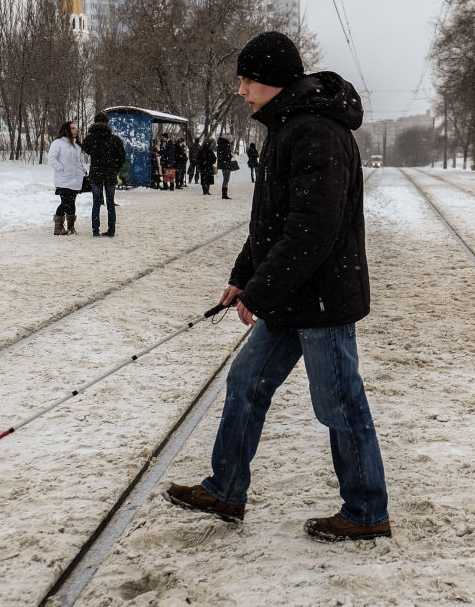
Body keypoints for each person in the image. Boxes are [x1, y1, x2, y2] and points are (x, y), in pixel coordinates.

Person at [164, 31, 390, 542]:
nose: (241, 89)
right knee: (246, 382)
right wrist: (243, 278)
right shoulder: (288, 127)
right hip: (293, 294)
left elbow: (311, 229)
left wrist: (259, 292)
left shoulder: (315, 132)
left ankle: (366, 511)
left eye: (247, 79)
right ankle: (225, 489)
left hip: (322, 296)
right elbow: (270, 223)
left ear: (273, 81)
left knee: (339, 403)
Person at [82, 112, 127, 237]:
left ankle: (95, 230)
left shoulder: (90, 138)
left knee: (96, 202)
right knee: (110, 202)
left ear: (95, 123)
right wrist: (115, 169)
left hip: (96, 173)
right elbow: (121, 157)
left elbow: (85, 149)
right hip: (110, 173)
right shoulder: (115, 139)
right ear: (107, 123)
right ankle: (111, 230)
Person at [48, 120, 85, 236]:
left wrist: (83, 171)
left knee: (72, 202)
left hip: (76, 178)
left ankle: (71, 227)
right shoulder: (58, 143)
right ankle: (58, 227)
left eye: (75, 128)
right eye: (73, 128)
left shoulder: (77, 144)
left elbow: (80, 161)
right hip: (64, 179)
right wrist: (62, 169)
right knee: (65, 202)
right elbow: (52, 158)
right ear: (67, 130)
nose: (76, 130)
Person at [216, 135, 234, 199]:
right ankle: (224, 195)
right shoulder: (226, 145)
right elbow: (226, 155)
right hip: (226, 164)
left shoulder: (220, 145)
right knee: (226, 180)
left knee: (225, 179)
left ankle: (224, 194)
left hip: (223, 164)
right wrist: (230, 155)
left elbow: (220, 155)